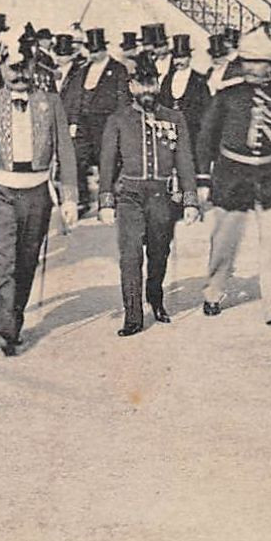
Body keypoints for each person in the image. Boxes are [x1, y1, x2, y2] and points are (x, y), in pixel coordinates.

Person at [0, 30, 79, 355]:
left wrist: (70, 197)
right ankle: (6, 330)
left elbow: (65, 149)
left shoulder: (51, 103)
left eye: (25, 66)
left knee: (26, 261)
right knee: (4, 260)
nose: (19, 74)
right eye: (12, 67)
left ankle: (13, 318)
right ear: (1, 68)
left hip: (36, 193)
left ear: (34, 66)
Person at [195, 25, 271, 320]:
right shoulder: (228, 95)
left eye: (262, 62)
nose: (255, 68)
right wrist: (203, 177)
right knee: (224, 243)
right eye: (250, 61)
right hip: (231, 176)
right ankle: (214, 292)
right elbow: (207, 136)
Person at [98, 52, 200, 336]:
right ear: (131, 86)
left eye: (151, 83)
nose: (146, 90)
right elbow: (107, 163)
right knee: (130, 255)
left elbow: (185, 160)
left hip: (162, 197)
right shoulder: (118, 119)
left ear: (158, 84)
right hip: (129, 195)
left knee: (159, 253)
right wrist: (106, 201)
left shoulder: (174, 118)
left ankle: (154, 297)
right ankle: (133, 315)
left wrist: (190, 199)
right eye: (140, 84)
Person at [73, 27, 127, 216]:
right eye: (91, 51)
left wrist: (121, 125)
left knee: (108, 163)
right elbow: (76, 96)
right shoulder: (84, 70)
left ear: (104, 49)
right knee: (77, 159)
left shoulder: (118, 69)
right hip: (84, 124)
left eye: (97, 51)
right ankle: (82, 200)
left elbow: (123, 99)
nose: (94, 54)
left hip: (107, 123)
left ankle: (108, 201)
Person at [158, 32, 210, 141]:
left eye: (183, 57)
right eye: (176, 58)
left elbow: (206, 109)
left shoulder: (199, 80)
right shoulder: (167, 79)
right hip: (170, 130)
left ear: (189, 58)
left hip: (191, 131)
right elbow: (162, 103)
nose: (179, 61)